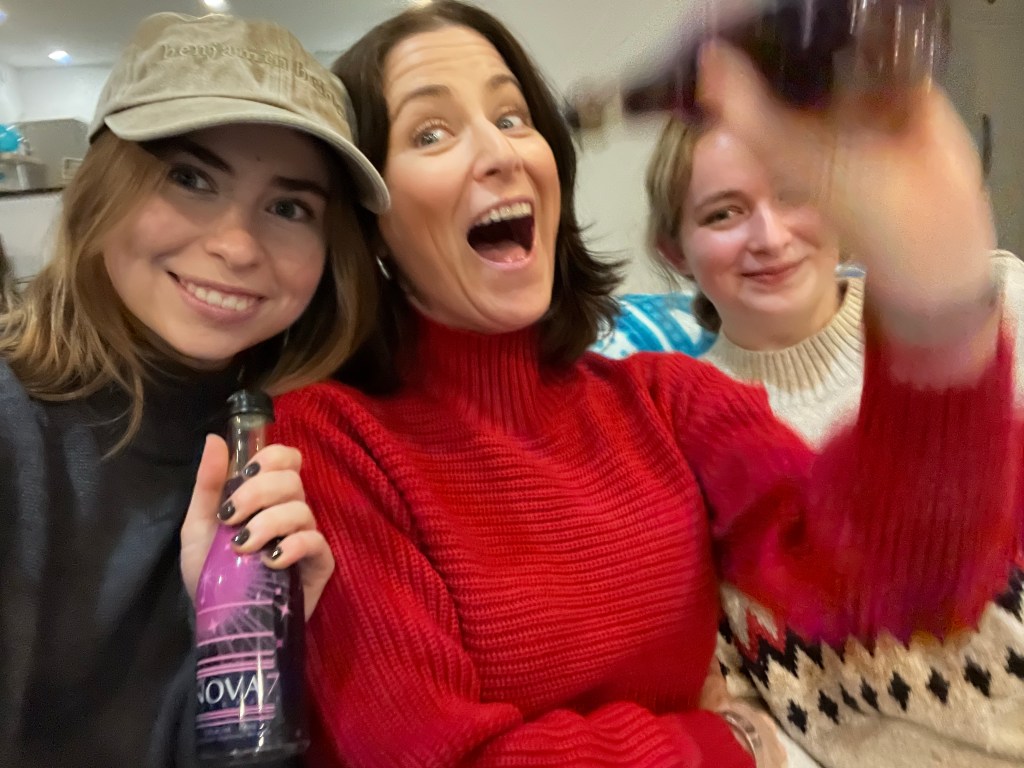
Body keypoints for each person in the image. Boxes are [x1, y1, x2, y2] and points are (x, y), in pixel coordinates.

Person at [272, 1, 1021, 766]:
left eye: (512, 116)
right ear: (370, 220)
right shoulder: (325, 442)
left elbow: (888, 586)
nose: (499, 153)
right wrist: (719, 741)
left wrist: (940, 317)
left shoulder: (667, 399)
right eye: (430, 133)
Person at [0, 12, 389, 768]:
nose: (236, 247)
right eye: (190, 178)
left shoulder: (297, 448)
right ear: (103, 187)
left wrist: (249, 662)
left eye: (289, 207)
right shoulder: (15, 429)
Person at [637, 113, 1024, 767]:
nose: (771, 237)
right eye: (724, 214)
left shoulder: (991, 307)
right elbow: (738, 706)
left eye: (794, 193)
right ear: (675, 250)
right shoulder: (666, 428)